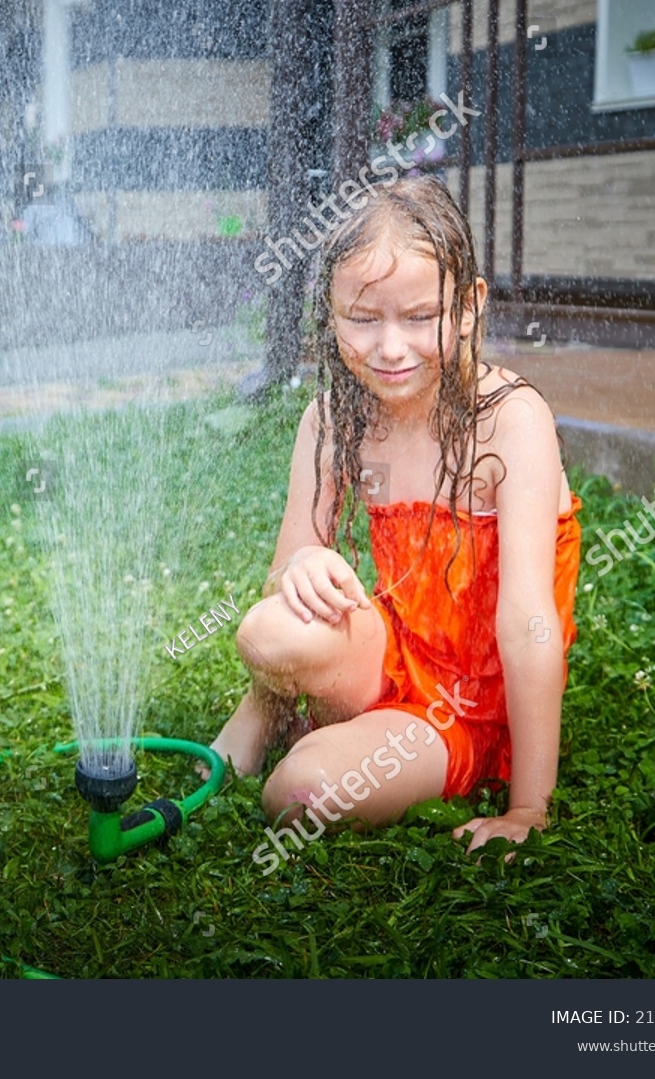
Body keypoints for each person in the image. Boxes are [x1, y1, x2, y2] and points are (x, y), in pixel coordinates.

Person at [209, 176, 581, 855]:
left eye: (419, 317)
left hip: (467, 703)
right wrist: (305, 564)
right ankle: (268, 709)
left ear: (468, 307)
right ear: (328, 312)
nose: (390, 347)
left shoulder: (511, 424)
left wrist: (529, 806)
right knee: (266, 631)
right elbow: (278, 582)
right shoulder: (332, 418)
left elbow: (529, 625)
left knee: (299, 797)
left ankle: (301, 729)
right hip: (394, 650)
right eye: (363, 317)